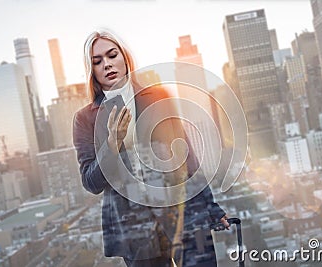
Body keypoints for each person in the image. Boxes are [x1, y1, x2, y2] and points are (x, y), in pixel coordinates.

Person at [73, 29, 229, 267]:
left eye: (112, 55)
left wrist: (211, 206)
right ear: (92, 71)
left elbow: (187, 157)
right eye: (97, 61)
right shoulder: (85, 119)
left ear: (125, 58)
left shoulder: (158, 96)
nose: (107, 64)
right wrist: (112, 144)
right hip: (136, 231)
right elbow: (90, 182)